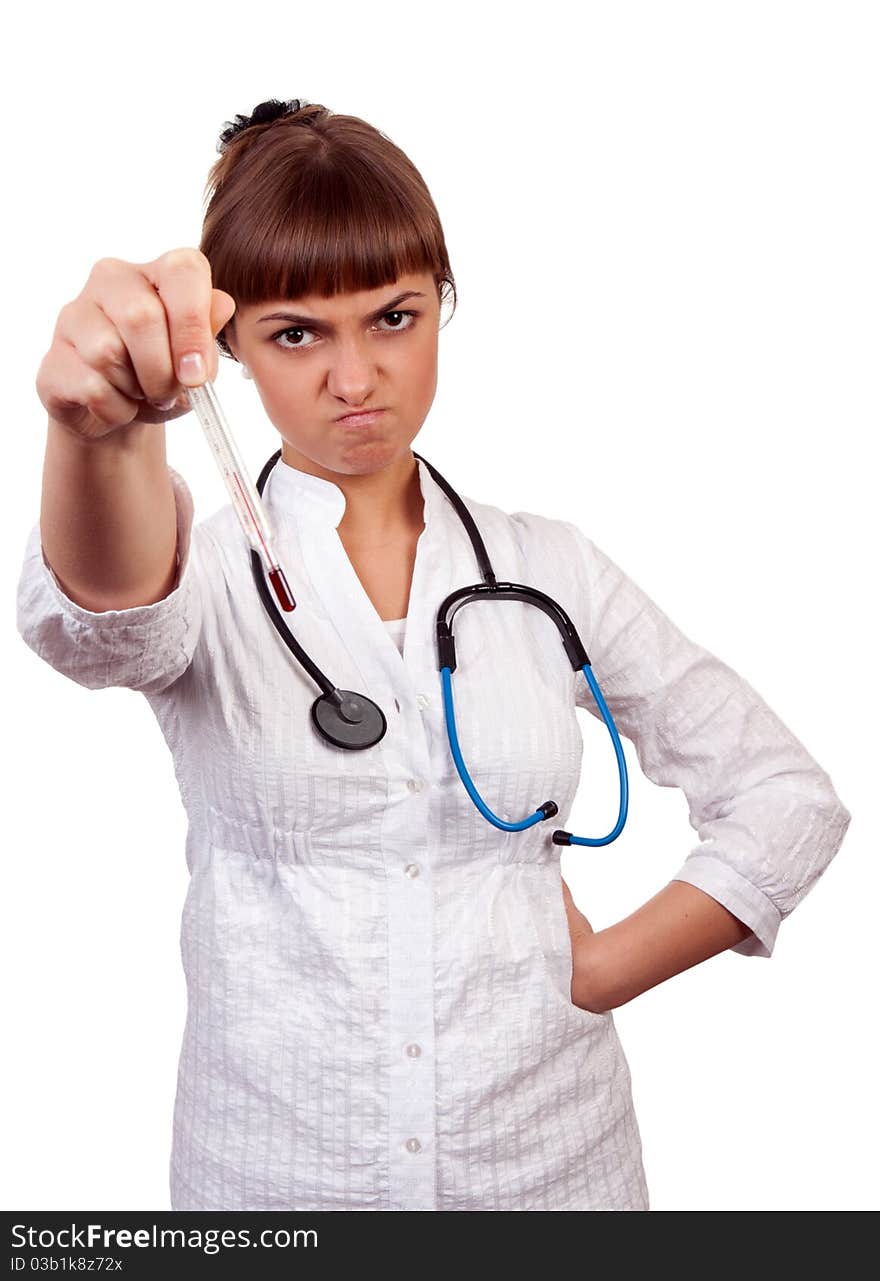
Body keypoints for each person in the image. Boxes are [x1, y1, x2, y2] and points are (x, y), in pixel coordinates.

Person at [15, 98, 852, 1213]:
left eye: (394, 317)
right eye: (297, 332)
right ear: (226, 349)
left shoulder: (548, 567)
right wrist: (97, 431)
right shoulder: (203, 572)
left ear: (440, 309)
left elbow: (785, 799)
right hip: (277, 1183)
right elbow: (104, 618)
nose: (355, 377)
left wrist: (606, 969)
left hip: (551, 1174)